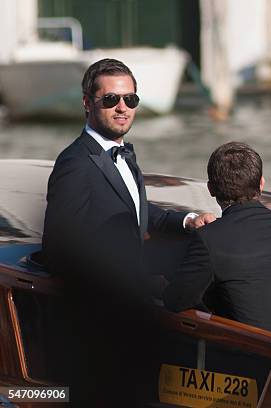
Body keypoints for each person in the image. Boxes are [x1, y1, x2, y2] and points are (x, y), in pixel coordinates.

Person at [41, 58, 211, 403]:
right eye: (111, 100)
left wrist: (186, 219)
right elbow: (58, 249)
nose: (122, 108)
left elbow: (135, 211)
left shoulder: (121, 154)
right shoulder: (75, 164)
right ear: (88, 103)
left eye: (130, 100)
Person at [164, 142, 271, 346]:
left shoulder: (209, 239)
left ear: (210, 189)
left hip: (256, 364)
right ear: (261, 184)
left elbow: (176, 301)